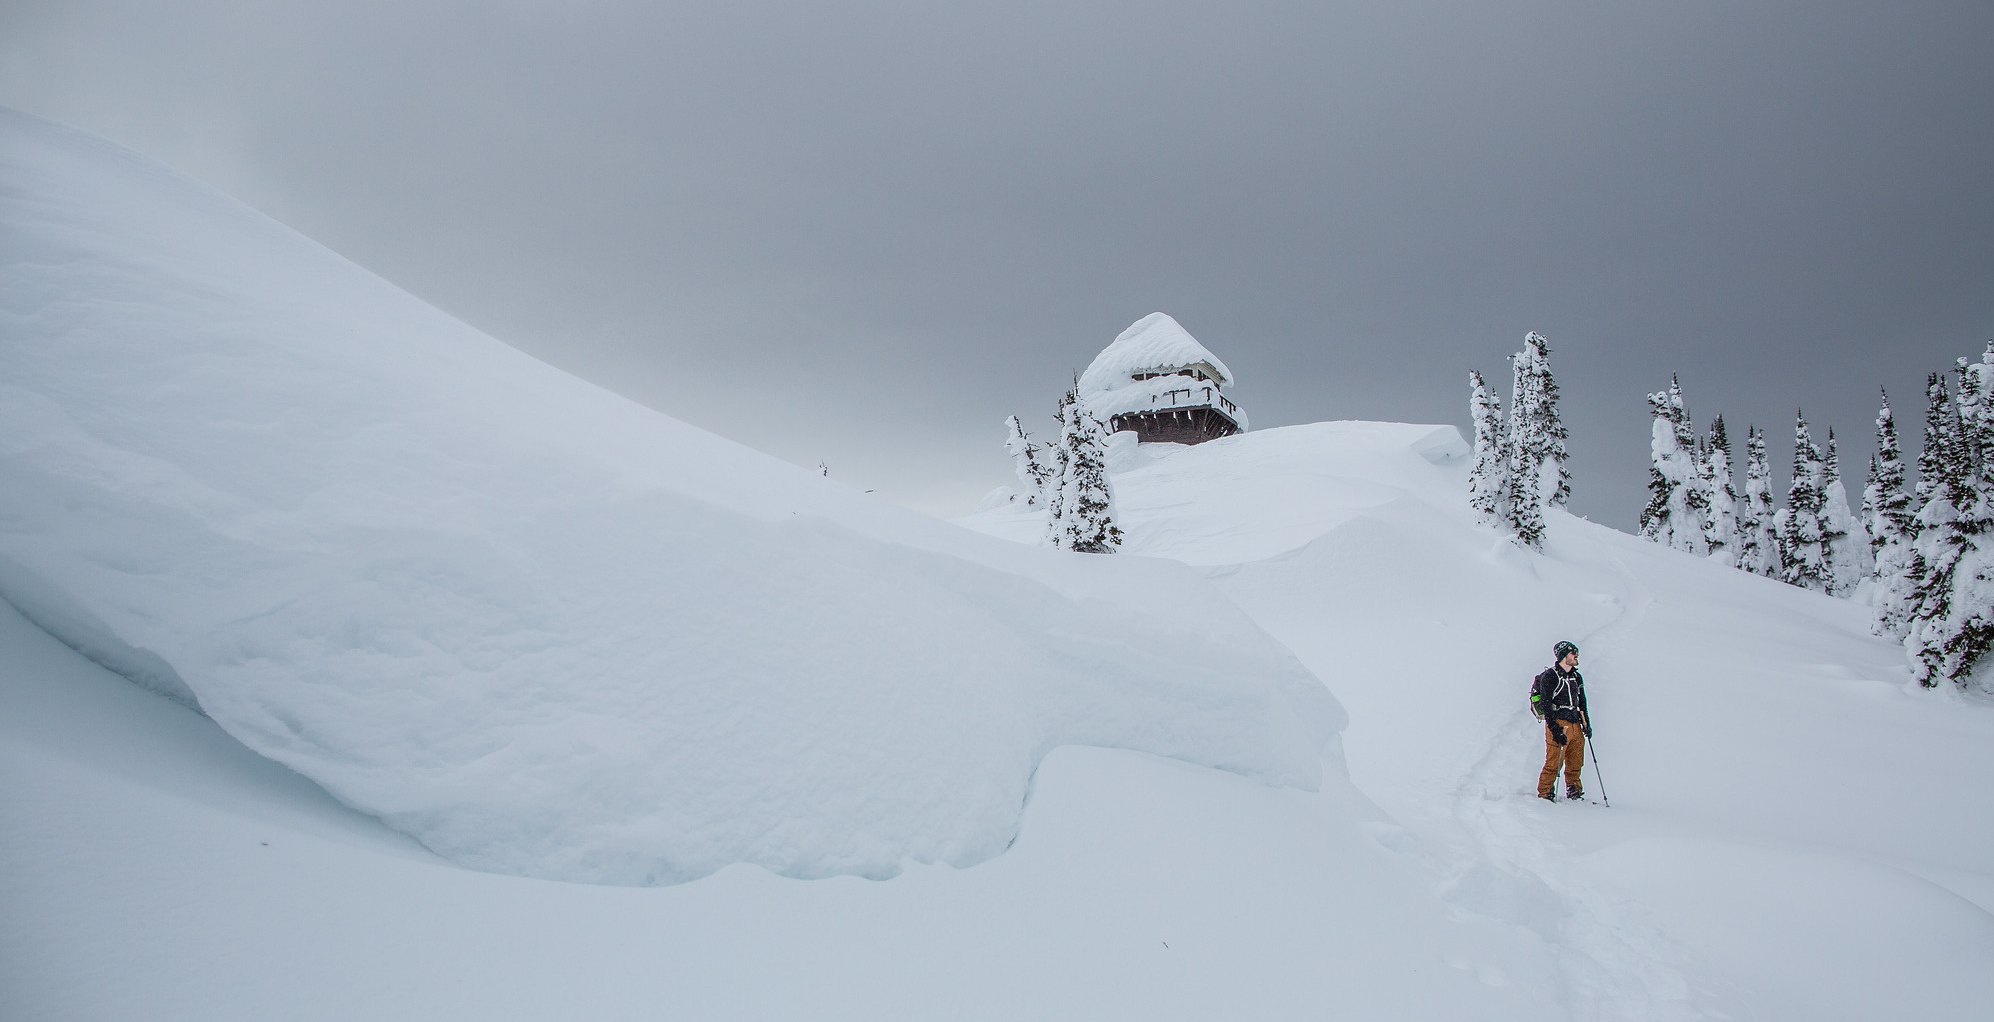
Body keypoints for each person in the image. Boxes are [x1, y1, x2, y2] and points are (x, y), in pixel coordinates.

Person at [1530, 640, 1591, 801]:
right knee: (1554, 762)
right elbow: (1546, 704)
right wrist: (1555, 729)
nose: (1576, 656)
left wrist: (1587, 724)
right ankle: (1545, 793)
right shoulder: (1550, 676)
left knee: (1576, 761)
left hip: (1575, 723)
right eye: (1573, 653)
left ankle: (1574, 790)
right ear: (1564, 656)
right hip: (1558, 723)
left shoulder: (1576, 677)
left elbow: (1582, 702)